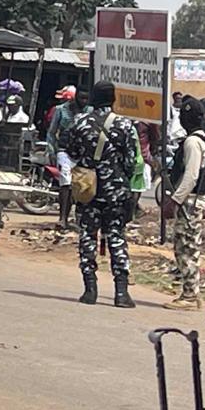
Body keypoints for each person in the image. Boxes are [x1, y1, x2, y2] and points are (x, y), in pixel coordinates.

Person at [62, 81, 137, 309]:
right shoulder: (125, 125)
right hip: (115, 193)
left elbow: (72, 153)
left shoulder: (79, 123)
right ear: (113, 99)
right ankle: (121, 293)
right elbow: (131, 162)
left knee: (87, 236)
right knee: (116, 238)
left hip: (88, 191)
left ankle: (90, 290)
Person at [162, 97, 205, 311]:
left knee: (186, 247)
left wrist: (174, 201)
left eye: (183, 115)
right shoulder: (201, 139)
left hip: (189, 202)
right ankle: (191, 292)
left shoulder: (193, 142)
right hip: (193, 201)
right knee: (189, 246)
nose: (181, 118)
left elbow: (191, 176)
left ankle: (190, 296)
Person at [47, 87, 91, 227]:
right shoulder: (61, 110)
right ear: (75, 97)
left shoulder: (90, 112)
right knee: (65, 182)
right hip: (64, 150)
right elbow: (52, 132)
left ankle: (78, 217)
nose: (83, 101)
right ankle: (63, 218)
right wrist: (52, 151)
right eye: (81, 98)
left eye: (86, 99)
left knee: (81, 185)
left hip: (82, 152)